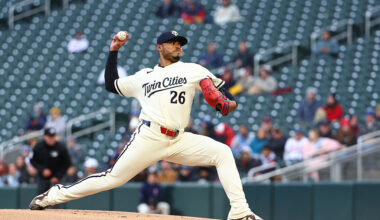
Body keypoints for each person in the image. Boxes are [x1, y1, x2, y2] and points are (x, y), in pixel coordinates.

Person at [30, 30, 261, 220]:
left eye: (180, 43)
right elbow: (111, 84)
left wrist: (231, 102)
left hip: (180, 139)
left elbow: (222, 91)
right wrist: (113, 51)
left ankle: (240, 212)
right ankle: (53, 195)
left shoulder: (194, 69)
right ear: (159, 48)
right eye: (172, 43)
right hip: (149, 136)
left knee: (222, 152)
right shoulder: (144, 77)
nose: (178, 46)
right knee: (112, 178)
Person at [30, 128, 71, 194]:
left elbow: (67, 163)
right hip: (43, 178)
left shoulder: (61, 147)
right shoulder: (38, 147)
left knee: (56, 199)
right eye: (49, 137)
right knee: (41, 199)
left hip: (57, 178)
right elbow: (33, 161)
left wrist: (58, 176)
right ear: (45, 137)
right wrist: (42, 170)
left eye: (53, 136)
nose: (51, 138)